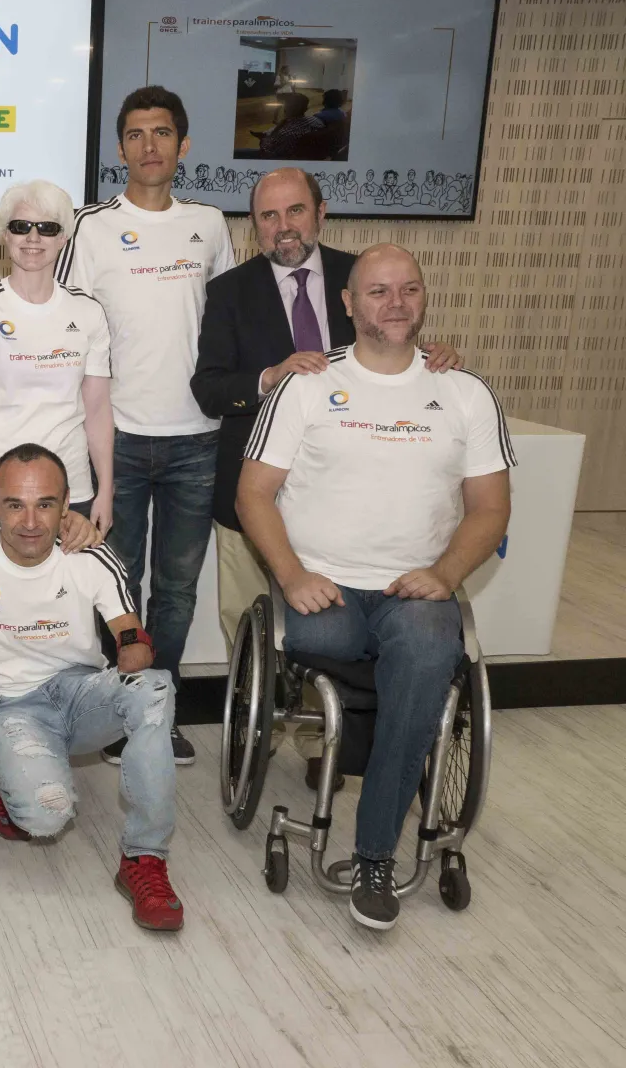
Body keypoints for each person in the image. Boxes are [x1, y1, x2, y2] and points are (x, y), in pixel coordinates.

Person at [238, 243, 513, 931]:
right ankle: (375, 743)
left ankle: (374, 855)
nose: (395, 303)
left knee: (424, 659)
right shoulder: (306, 385)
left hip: (415, 590)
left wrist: (445, 575)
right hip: (322, 589)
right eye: (378, 291)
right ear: (348, 302)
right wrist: (292, 574)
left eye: (409, 289)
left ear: (424, 298)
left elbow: (490, 508)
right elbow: (254, 495)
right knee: (345, 650)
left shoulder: (464, 392)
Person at [192, 169, 460, 784]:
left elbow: (395, 351)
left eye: (295, 211)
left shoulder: (361, 278)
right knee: (248, 619)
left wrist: (436, 359)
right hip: (251, 490)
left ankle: (324, 746)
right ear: (254, 225)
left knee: (330, 625)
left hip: (341, 502)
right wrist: (271, 377)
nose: (283, 226)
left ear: (320, 212)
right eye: (268, 216)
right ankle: (255, 728)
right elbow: (209, 388)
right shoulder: (229, 290)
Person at [0, 444, 186, 932]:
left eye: (45, 504)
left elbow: (130, 634)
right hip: (7, 704)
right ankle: (5, 767)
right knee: (47, 818)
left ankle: (144, 857)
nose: (30, 522)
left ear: (67, 505)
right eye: (15, 505)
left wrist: (132, 650)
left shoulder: (89, 555)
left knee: (154, 689)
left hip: (79, 694)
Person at [56, 85, 237, 765]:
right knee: (118, 581)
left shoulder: (209, 224)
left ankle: (159, 707)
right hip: (117, 441)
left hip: (197, 438)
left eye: (161, 133)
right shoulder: (91, 227)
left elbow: (229, 320)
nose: (149, 145)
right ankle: (121, 707)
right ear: (120, 148)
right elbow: (67, 325)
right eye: (135, 134)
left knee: (179, 589)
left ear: (182, 144)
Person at [0, 179, 114, 534]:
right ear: (5, 235)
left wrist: (106, 490)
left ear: (63, 238)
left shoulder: (88, 311)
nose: (33, 238)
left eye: (47, 228)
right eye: (21, 226)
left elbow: (98, 410)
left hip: (71, 490)